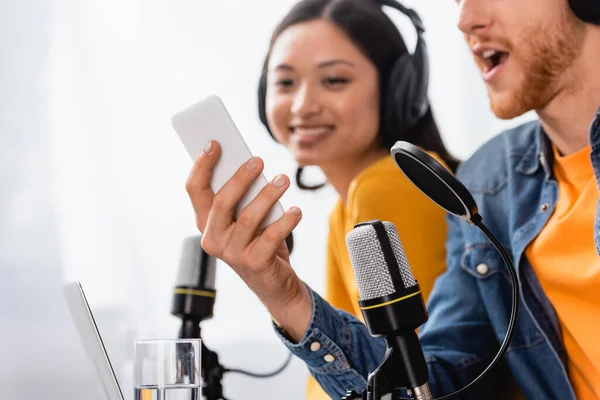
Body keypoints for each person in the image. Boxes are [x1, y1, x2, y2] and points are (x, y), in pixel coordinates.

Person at [186, 0, 600, 398]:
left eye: (334, 80)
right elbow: (425, 386)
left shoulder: (398, 186)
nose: (465, 19)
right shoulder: (487, 186)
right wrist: (284, 296)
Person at [187, 0, 458, 398]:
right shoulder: (349, 204)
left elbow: (408, 386)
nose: (303, 105)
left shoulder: (389, 185)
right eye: (285, 82)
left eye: (333, 80)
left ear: (398, 88)